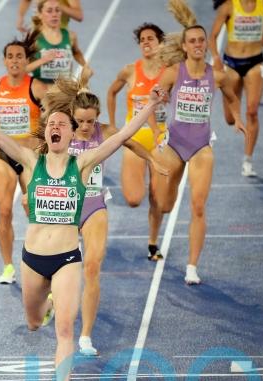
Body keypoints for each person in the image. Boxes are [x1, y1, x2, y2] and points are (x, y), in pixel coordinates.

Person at [0, 75, 163, 381]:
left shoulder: (82, 164)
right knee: (34, 322)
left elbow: (122, 135)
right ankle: (45, 307)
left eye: (62, 124)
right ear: (47, 132)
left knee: (65, 330)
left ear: (70, 134)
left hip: (67, 259)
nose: (55, 127)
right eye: (51, 123)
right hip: (33, 260)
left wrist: (152, 104)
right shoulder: (31, 160)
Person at [50, 73, 168, 357]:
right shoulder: (60, 132)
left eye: (90, 121)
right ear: (72, 117)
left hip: (94, 204)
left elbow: (131, 140)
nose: (85, 127)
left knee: (92, 268)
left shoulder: (105, 132)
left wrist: (152, 159)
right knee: (59, 269)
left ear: (97, 118)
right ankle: (51, 297)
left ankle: (85, 336)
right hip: (64, 207)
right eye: (80, 121)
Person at [151, 23, 246, 285]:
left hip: (201, 146)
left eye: (201, 40)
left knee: (198, 206)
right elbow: (154, 101)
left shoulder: (217, 76)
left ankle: (192, 267)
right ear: (184, 46)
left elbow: (232, 97)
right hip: (174, 145)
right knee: (165, 204)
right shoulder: (173, 73)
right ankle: (164, 206)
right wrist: (157, 129)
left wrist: (237, 118)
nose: (197, 45)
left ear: (206, 45)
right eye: (192, 41)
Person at [0, 38, 48, 284]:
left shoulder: (37, 87)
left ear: (27, 61)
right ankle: (8, 267)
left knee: (35, 212)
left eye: (19, 56)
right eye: (10, 56)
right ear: (4, 61)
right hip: (4, 156)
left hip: (29, 158)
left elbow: (53, 117)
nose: (14, 60)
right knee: (4, 211)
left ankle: (44, 261)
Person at [106, 22, 168, 262]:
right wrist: (113, 125)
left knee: (158, 199)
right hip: (134, 137)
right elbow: (111, 92)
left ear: (160, 42)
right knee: (133, 199)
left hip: (160, 139)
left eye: (151, 38)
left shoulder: (170, 72)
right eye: (142, 39)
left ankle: (152, 244)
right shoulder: (130, 71)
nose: (146, 42)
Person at [209, 0, 263, 177]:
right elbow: (212, 36)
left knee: (252, 112)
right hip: (231, 64)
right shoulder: (228, 7)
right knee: (230, 119)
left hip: (255, 63)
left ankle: (247, 160)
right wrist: (216, 57)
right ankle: (232, 101)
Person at [25, 0, 87, 86]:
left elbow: (76, 52)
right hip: (41, 91)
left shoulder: (70, 36)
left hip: (63, 90)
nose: (54, 14)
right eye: (49, 11)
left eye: (57, 10)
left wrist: (85, 66)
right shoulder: (34, 39)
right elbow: (22, 70)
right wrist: (43, 60)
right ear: (39, 14)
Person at [16, 0, 83, 33]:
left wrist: (58, 6)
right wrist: (20, 17)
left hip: (59, 35)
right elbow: (26, 1)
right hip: (37, 33)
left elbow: (79, 15)